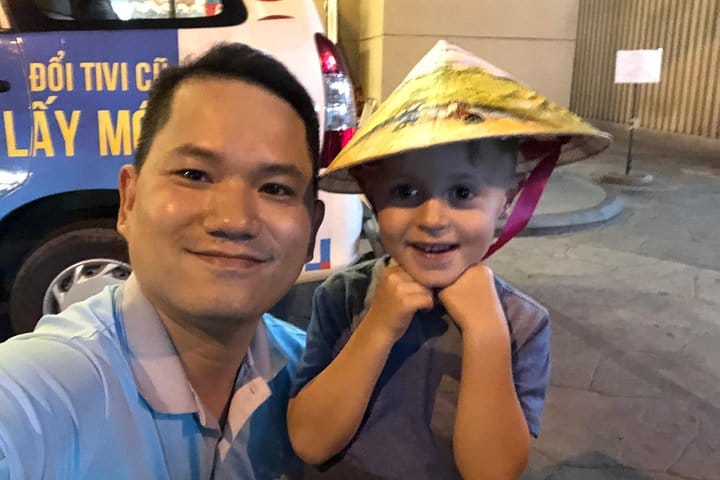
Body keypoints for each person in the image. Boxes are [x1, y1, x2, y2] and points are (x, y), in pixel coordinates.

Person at [287, 40, 611, 479]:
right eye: (405, 192)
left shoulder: (521, 323)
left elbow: (493, 472)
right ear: (374, 198)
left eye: (462, 192)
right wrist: (378, 326)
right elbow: (310, 441)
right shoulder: (343, 297)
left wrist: (486, 333)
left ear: (506, 202)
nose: (433, 219)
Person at [0, 43, 324, 479]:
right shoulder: (45, 389)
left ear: (312, 230)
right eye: (194, 175)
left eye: (275, 188)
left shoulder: (318, 379)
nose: (234, 220)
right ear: (129, 201)